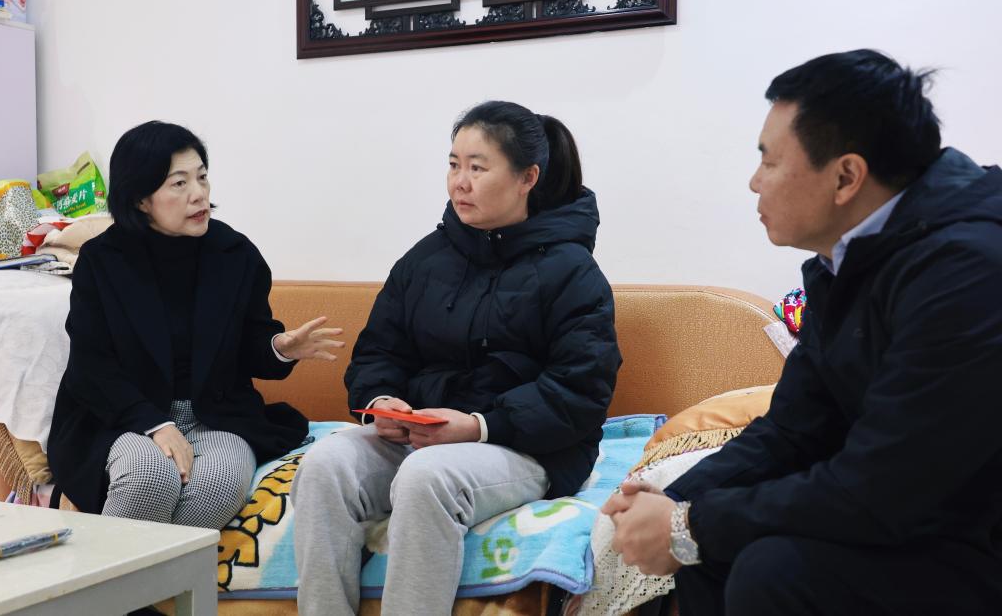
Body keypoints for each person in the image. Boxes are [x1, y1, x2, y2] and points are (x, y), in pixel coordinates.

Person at [602, 49, 1002, 615]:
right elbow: (791, 431)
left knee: (771, 569)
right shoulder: (846, 263)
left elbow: (888, 486)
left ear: (845, 177)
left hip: (971, 537)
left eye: (769, 161)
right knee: (715, 555)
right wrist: (671, 500)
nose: (753, 182)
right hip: (913, 516)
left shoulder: (969, 270)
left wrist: (689, 525)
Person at [291, 100, 622, 615]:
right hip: (422, 435)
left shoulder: (572, 272)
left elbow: (580, 391)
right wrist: (381, 403)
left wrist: (479, 426)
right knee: (324, 465)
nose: (459, 183)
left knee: (427, 477)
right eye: (453, 164)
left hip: (527, 447)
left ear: (527, 178)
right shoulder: (425, 258)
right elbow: (378, 350)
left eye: (477, 167)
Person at [47, 121, 344, 529]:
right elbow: (92, 366)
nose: (199, 193)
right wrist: (155, 424)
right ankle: (117, 573)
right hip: (122, 415)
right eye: (179, 183)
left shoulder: (235, 254)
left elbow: (251, 345)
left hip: (216, 416)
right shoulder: (102, 261)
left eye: (202, 177)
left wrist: (280, 348)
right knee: (149, 476)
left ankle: (148, 574)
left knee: (217, 487)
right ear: (140, 199)